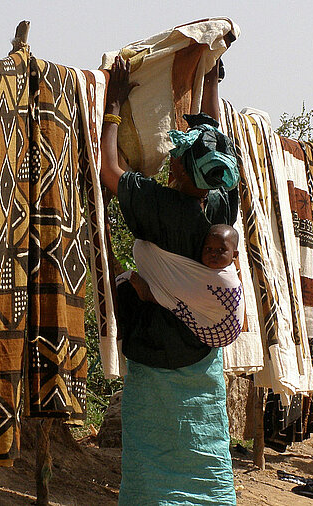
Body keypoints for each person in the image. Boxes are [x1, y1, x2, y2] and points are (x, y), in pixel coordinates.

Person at [102, 55, 238, 505]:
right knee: (204, 451)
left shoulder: (157, 203)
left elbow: (109, 171)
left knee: (151, 454)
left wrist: (113, 107)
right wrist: (212, 79)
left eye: (177, 156)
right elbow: (213, 138)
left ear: (179, 169)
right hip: (201, 359)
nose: (171, 159)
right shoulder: (223, 207)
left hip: (156, 351)